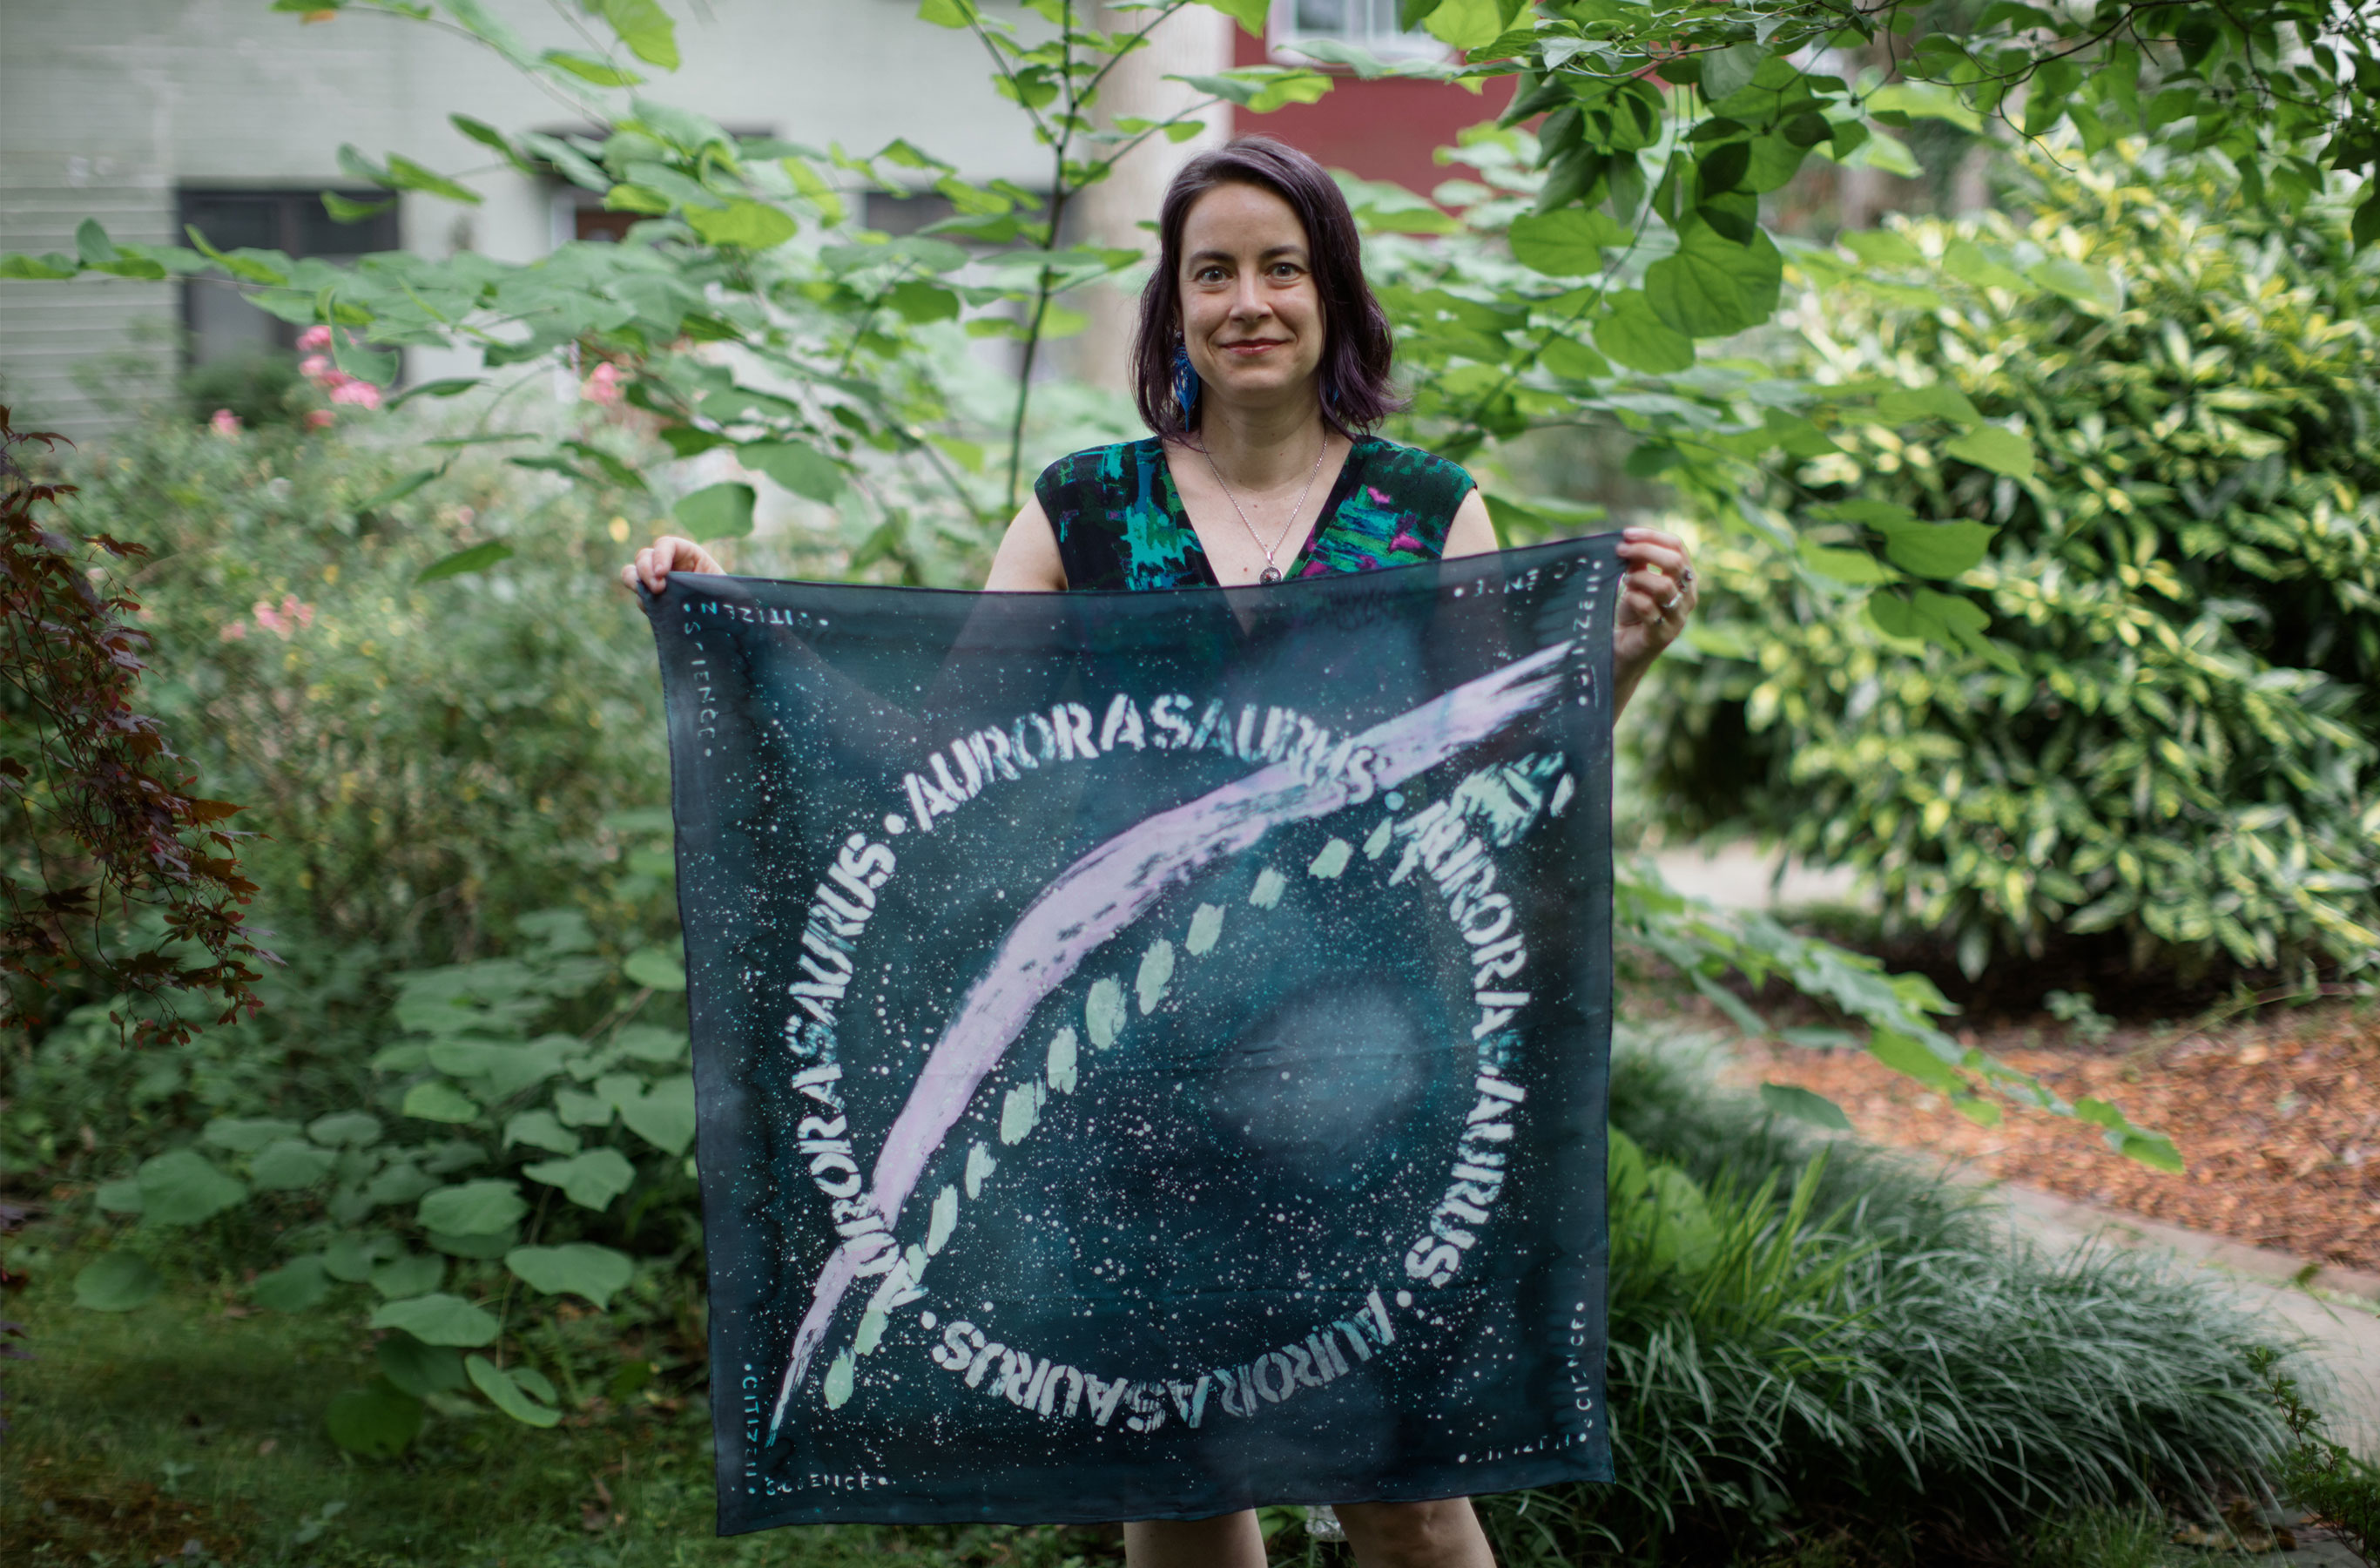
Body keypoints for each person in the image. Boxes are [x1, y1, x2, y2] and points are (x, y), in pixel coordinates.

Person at [624, 134, 1696, 1568]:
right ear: (1173, 306)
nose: (1248, 299)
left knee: (1410, 1497)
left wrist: (1612, 664)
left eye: (1280, 267)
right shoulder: (1085, 510)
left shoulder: (1431, 513)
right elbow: (935, 754)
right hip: (1132, 1068)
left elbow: (1498, 774)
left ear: (1333, 296)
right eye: (1213, 271)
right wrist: (728, 622)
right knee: (1183, 1483)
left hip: (1366, 1075)